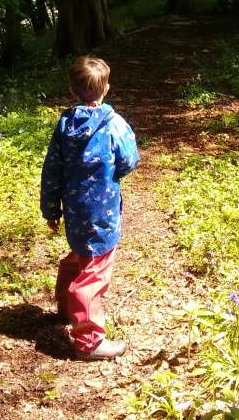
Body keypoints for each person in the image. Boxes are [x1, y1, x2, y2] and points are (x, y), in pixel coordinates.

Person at [40, 56, 139, 361]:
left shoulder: (64, 125)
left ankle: (65, 307)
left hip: (74, 209)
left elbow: (52, 169)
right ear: (106, 89)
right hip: (103, 210)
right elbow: (129, 160)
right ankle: (88, 341)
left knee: (80, 253)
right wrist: (111, 173)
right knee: (94, 272)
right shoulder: (114, 124)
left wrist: (51, 209)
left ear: (72, 90)